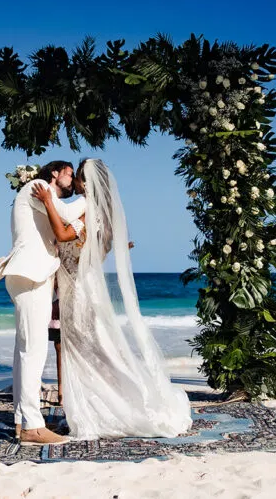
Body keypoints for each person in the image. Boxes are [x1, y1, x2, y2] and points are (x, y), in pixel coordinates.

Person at [31, 158, 192, 439]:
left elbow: (64, 234)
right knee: (87, 348)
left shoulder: (86, 207)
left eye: (77, 178)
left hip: (81, 287)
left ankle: (101, 409)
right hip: (79, 284)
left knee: (88, 349)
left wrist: (46, 201)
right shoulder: (99, 212)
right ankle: (89, 408)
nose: (75, 184)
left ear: (84, 182)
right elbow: (97, 251)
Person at [0, 160, 85, 445]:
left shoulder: (46, 197)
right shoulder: (39, 186)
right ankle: (33, 425)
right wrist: (90, 199)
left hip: (30, 275)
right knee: (33, 352)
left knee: (24, 350)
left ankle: (22, 419)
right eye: (70, 173)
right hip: (31, 275)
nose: (73, 179)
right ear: (55, 173)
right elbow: (67, 214)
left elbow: (62, 222)